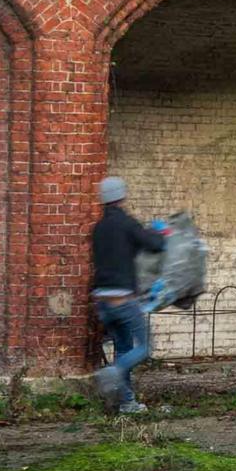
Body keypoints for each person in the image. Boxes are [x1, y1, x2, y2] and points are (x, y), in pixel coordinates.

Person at [88, 175, 163, 414]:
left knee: (123, 348)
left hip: (102, 302)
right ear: (122, 196)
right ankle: (113, 372)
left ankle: (127, 403)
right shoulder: (127, 224)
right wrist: (163, 233)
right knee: (144, 348)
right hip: (124, 300)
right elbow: (153, 244)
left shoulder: (98, 229)